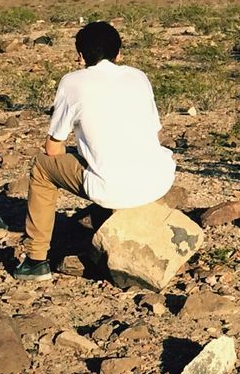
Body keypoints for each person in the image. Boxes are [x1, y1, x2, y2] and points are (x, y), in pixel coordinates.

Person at [13, 21, 176, 281]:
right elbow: (155, 132)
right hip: (159, 180)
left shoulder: (72, 82)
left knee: (43, 166)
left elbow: (53, 149)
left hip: (113, 187)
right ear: (119, 53)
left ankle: (35, 260)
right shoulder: (138, 76)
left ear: (79, 56)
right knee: (108, 154)